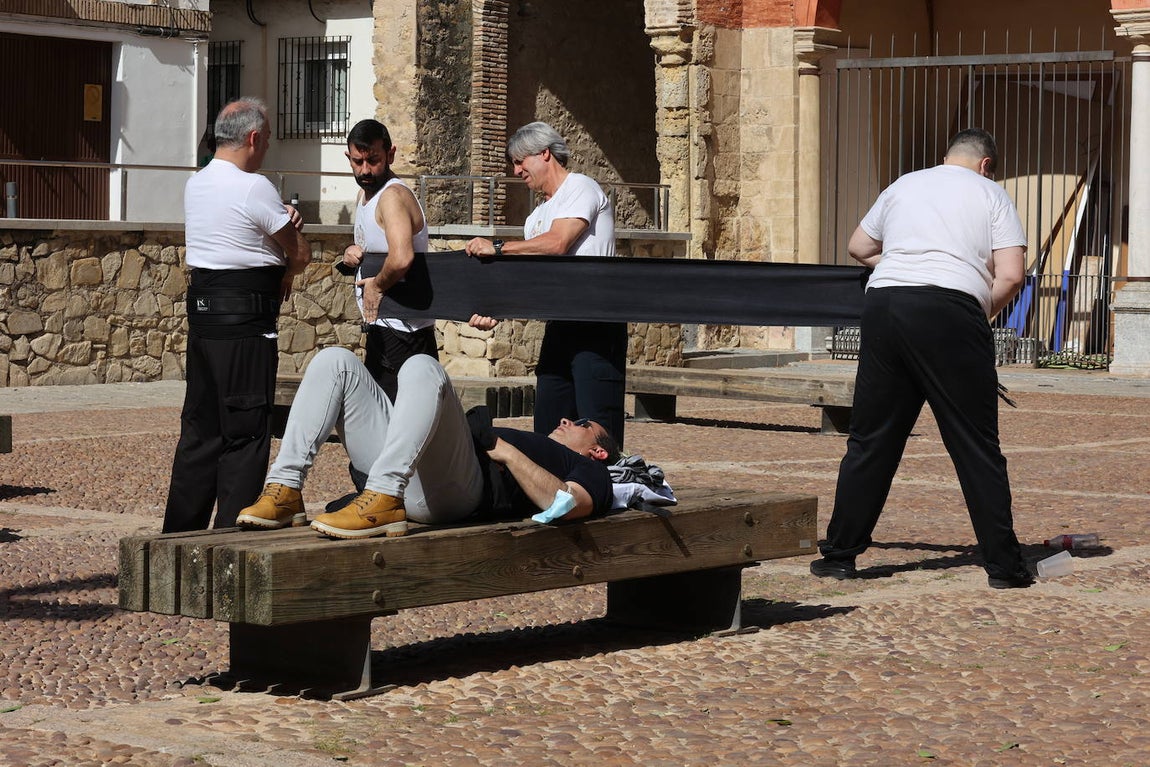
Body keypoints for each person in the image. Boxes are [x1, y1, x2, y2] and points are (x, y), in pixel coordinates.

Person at [808, 128, 1033, 590]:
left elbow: (859, 247)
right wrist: (976, 308)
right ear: (986, 164)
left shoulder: (904, 184)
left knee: (872, 438)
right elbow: (1011, 275)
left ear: (945, 156)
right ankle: (1005, 567)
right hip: (950, 310)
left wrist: (904, 264)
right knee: (974, 443)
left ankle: (839, 555)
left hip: (886, 304)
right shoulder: (992, 194)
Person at [235, 347, 618, 539]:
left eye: (582, 423)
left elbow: (566, 506)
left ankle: (384, 495)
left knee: (422, 365)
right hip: (413, 478)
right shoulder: (547, 444)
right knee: (335, 361)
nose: (567, 419)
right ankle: (285, 489)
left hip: (456, 493)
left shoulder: (591, 471)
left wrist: (508, 453)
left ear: (597, 451)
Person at [162, 98, 310, 533]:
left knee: (201, 431)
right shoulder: (254, 186)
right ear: (252, 138)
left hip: (204, 321)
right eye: (264, 140)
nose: (265, 148)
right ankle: (230, 540)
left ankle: (179, 535)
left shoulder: (198, 182)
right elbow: (298, 253)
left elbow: (238, 233)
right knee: (246, 433)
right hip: (246, 324)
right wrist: (292, 234)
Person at [463, 121, 627, 448]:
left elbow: (557, 244)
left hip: (596, 321)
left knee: (597, 429)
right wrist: (495, 310)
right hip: (559, 325)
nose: (516, 170)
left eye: (520, 161)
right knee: (549, 425)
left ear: (545, 154)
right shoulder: (535, 216)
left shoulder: (580, 186)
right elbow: (532, 278)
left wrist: (496, 247)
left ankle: (607, 493)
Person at [336, 118, 438, 402]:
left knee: (408, 423)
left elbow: (402, 256)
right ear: (349, 157)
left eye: (374, 160)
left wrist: (376, 287)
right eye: (358, 162)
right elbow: (373, 243)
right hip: (385, 326)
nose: (365, 170)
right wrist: (351, 253)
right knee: (381, 418)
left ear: (391, 154)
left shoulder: (392, 196)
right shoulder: (365, 194)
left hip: (405, 330)